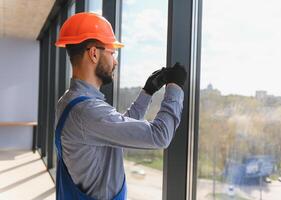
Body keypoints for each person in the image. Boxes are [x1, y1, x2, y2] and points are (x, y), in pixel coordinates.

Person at [54, 12, 187, 200]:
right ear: (93, 53)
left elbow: (116, 131)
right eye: (112, 53)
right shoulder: (87, 111)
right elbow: (160, 135)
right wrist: (175, 88)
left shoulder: (69, 102)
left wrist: (148, 92)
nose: (115, 61)